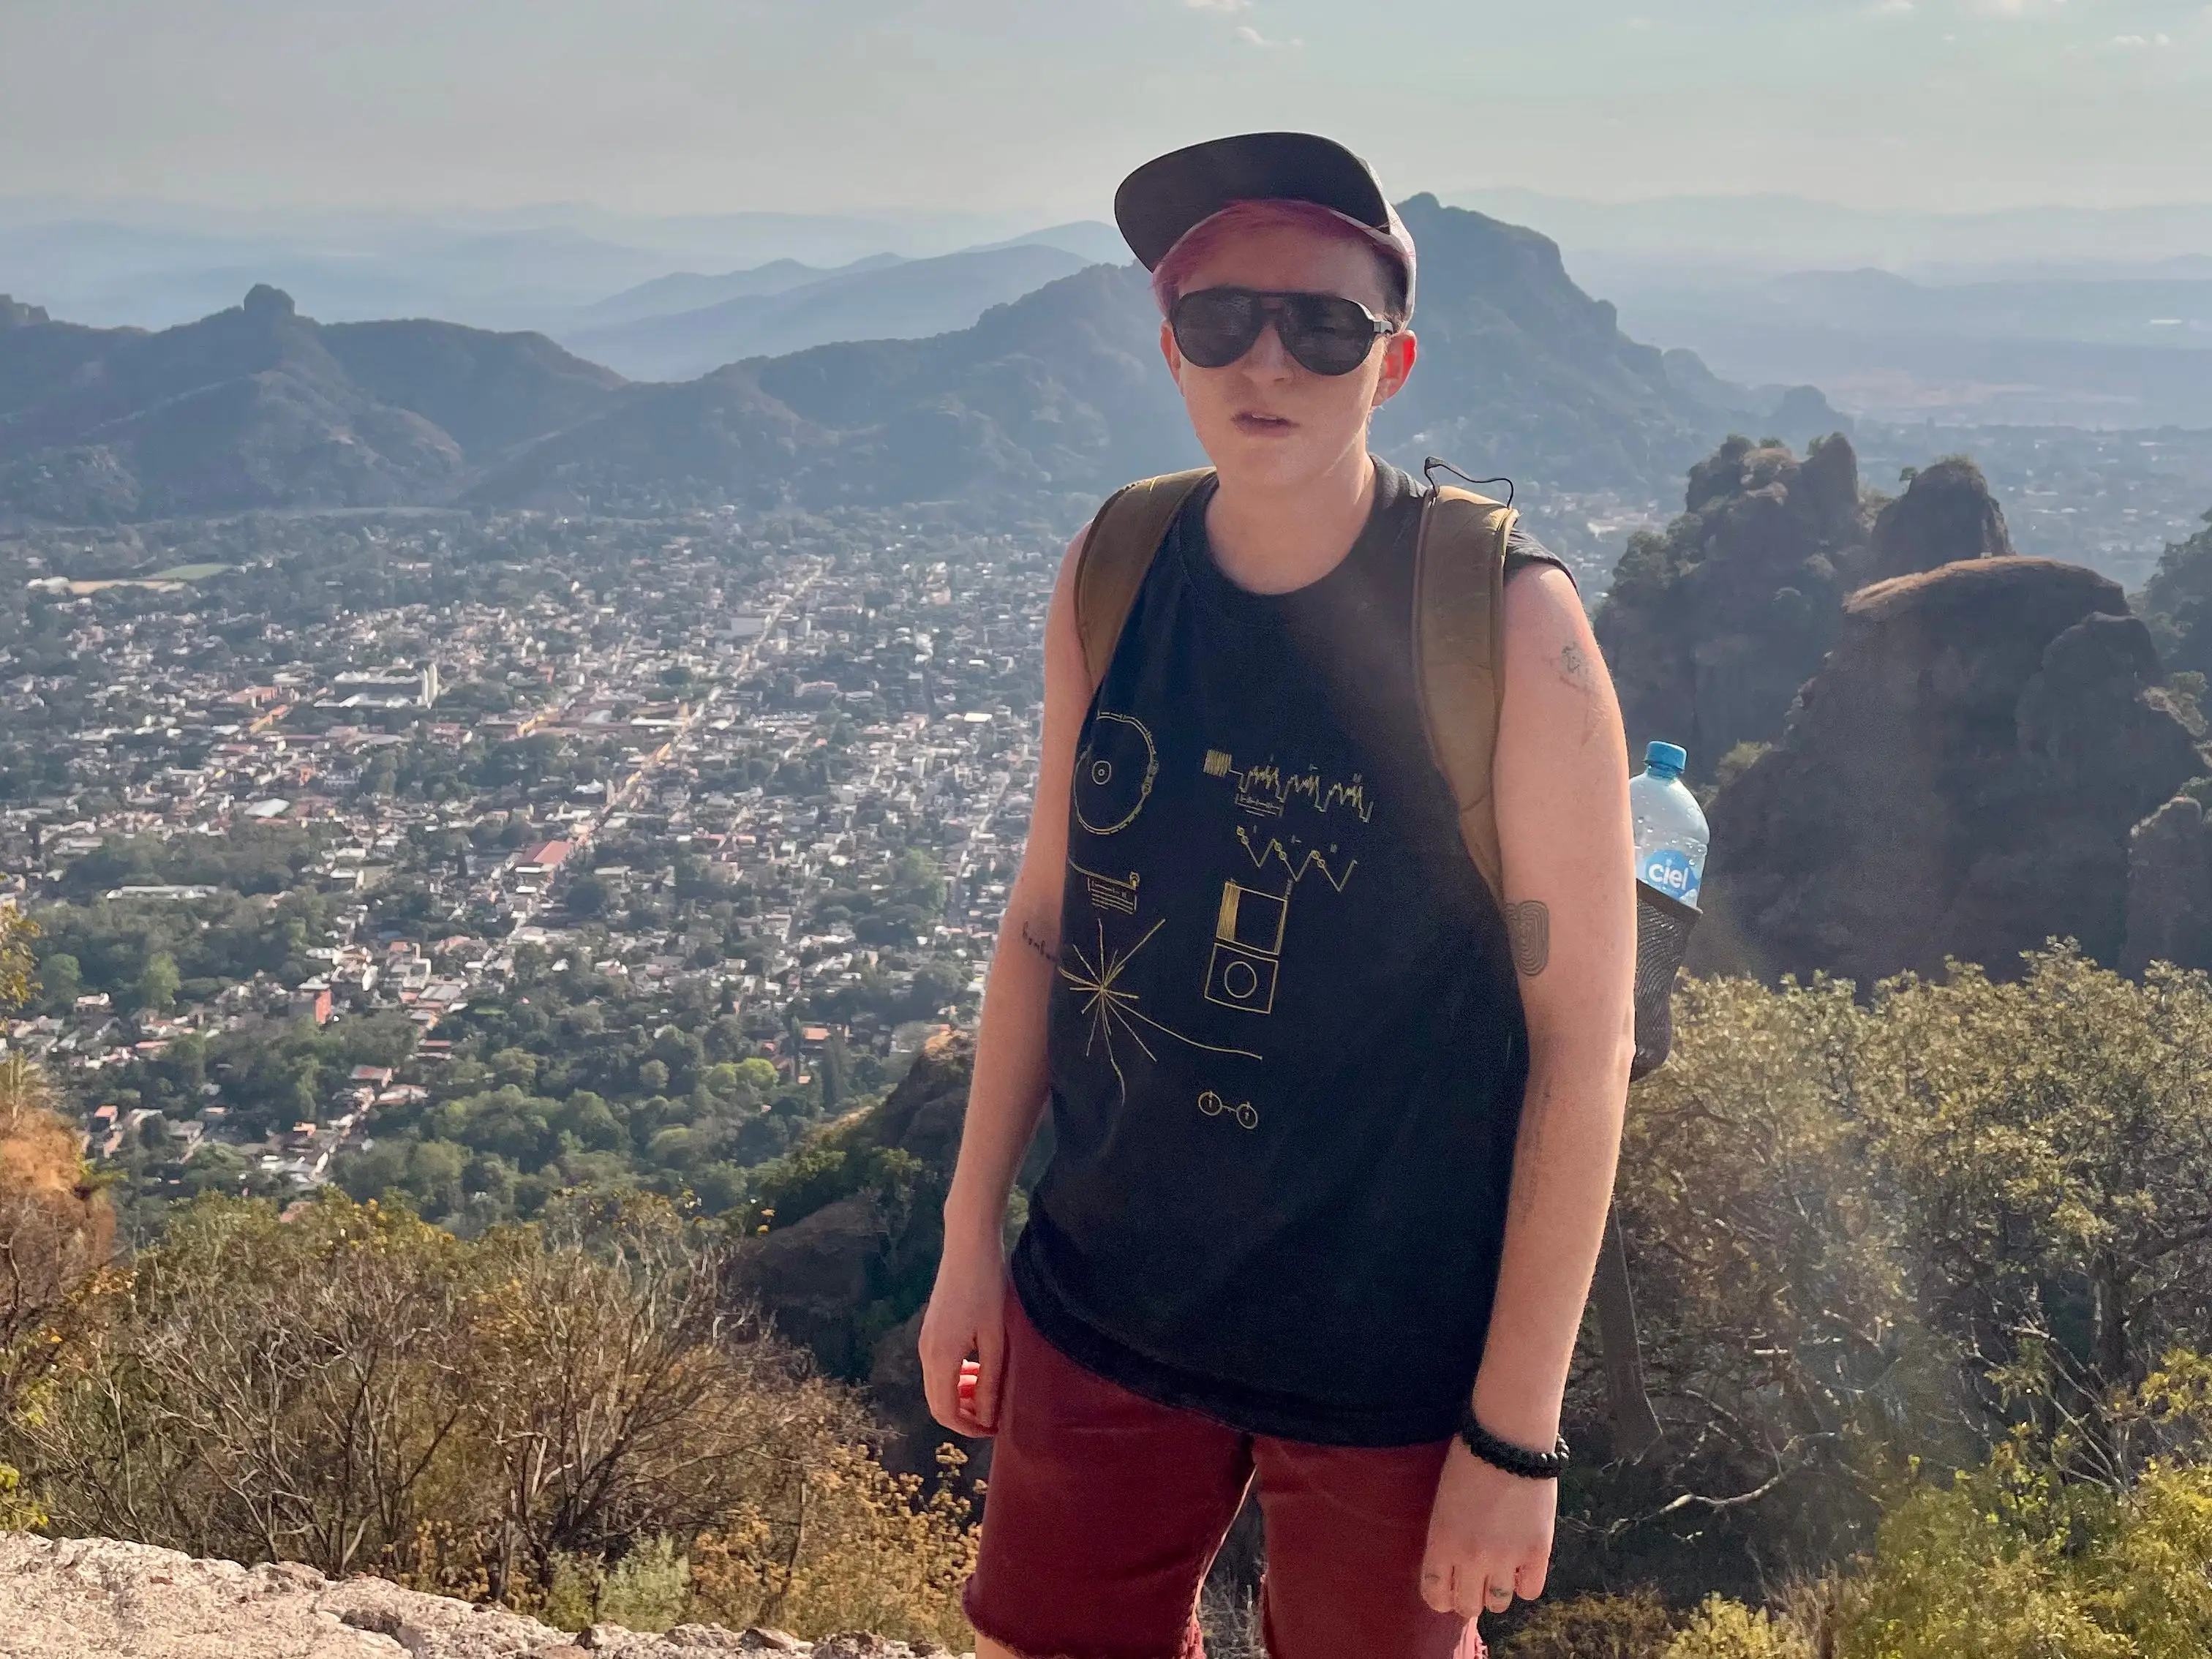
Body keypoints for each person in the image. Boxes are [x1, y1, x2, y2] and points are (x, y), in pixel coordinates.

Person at [918, 132, 1636, 1659]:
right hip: (1103, 1302)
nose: (1269, 358)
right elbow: (1048, 921)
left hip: (1393, 1356)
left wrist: (1516, 1433)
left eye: (1323, 324)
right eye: (1219, 318)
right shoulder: (1115, 565)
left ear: (1396, 360)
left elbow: (1584, 1043)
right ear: (1168, 345)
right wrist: (969, 1235)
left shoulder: (1511, 625)